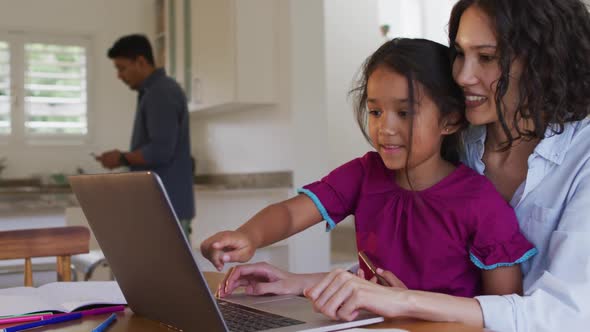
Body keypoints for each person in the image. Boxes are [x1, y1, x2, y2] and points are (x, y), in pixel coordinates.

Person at [245, 1, 590, 331]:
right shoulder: (457, 141)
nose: (463, 75)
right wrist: (307, 283)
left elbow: (567, 315)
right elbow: (423, 259)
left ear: (544, 62)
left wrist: (406, 301)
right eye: (459, 54)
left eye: (486, 57)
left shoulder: (583, 157)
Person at [201, 38, 536, 299]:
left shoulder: (480, 203)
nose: (385, 128)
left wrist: (412, 305)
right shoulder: (363, 174)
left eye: (404, 113)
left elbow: (504, 308)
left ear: (450, 119)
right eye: (375, 112)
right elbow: (290, 214)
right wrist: (248, 236)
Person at [96, 34, 195, 241]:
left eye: (122, 68)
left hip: (165, 207)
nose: (119, 76)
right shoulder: (155, 91)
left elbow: (160, 151)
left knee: (166, 272)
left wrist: (121, 158)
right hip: (163, 206)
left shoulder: (160, 93)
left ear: (141, 62)